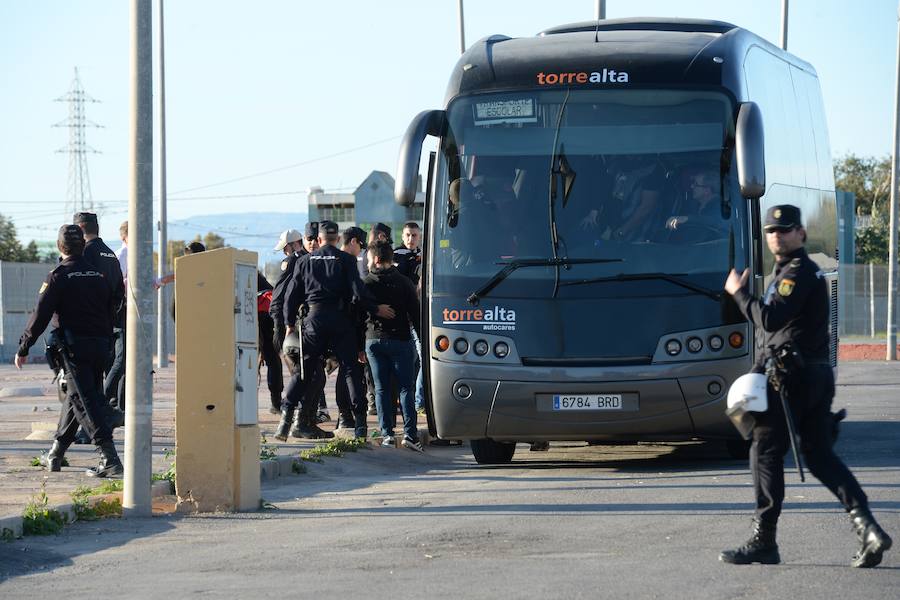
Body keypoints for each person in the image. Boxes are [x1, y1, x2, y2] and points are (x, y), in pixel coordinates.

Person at [721, 204, 892, 568]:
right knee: (818, 455)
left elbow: (769, 319)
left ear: (801, 234)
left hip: (791, 380)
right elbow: (776, 334)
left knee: (764, 452)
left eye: (784, 230)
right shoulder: (795, 273)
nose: (776, 236)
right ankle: (868, 528)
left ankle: (764, 540)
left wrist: (738, 293)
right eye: (771, 231)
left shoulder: (796, 273)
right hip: (810, 376)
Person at [16, 225, 123, 478]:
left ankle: (109, 459)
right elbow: (113, 306)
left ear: (59, 247)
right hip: (100, 346)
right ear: (82, 246)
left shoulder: (58, 276)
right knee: (79, 397)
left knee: (85, 403)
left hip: (75, 349)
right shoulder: (98, 274)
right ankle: (56, 453)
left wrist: (24, 346)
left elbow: (40, 315)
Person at [283, 220, 395, 439]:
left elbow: (291, 295)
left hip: (313, 321)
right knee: (352, 370)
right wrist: (375, 308)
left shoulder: (305, 261)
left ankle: (286, 420)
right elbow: (357, 293)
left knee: (304, 370)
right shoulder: (346, 260)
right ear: (337, 238)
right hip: (340, 321)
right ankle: (359, 422)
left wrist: (288, 324)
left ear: (319, 239)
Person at [362, 240, 423, 451]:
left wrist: (358, 346)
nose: (367, 262)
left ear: (377, 260)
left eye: (368, 259)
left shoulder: (366, 283)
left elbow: (356, 312)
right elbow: (416, 314)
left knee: (381, 389)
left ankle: (387, 434)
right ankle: (410, 435)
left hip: (374, 341)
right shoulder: (405, 282)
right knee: (406, 388)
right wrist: (423, 343)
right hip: (401, 341)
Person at [269, 225, 327, 439]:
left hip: (305, 327)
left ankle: (306, 422)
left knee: (315, 376)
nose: (312, 243)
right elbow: (280, 298)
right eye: (308, 239)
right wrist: (283, 328)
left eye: (315, 239)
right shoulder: (296, 261)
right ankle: (299, 423)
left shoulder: (316, 260)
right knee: (308, 375)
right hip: (290, 327)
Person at [73, 212, 125, 430]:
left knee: (84, 387)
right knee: (91, 382)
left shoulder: (85, 253)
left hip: (85, 329)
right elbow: (119, 291)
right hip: (106, 326)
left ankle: (93, 429)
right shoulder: (110, 253)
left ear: (80, 229)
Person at [664, 168, 728, 239]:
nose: (692, 186)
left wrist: (687, 219)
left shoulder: (721, 207)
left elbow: (718, 221)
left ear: (707, 190)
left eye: (696, 184)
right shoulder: (692, 204)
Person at [256, 270, 282, 414]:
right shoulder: (256, 276)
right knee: (273, 361)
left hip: (254, 319)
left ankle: (246, 401)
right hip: (267, 317)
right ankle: (276, 403)